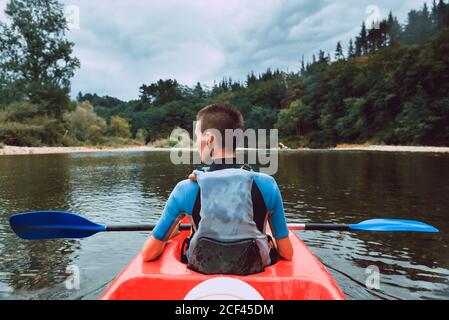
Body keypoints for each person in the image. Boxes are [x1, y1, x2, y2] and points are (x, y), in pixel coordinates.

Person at [142, 103, 293, 275]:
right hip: (254, 270)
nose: (196, 142)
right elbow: (286, 253)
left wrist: (169, 235)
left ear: (210, 139)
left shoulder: (185, 188)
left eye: (197, 136)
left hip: (202, 269)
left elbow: (148, 254)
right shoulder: (267, 184)